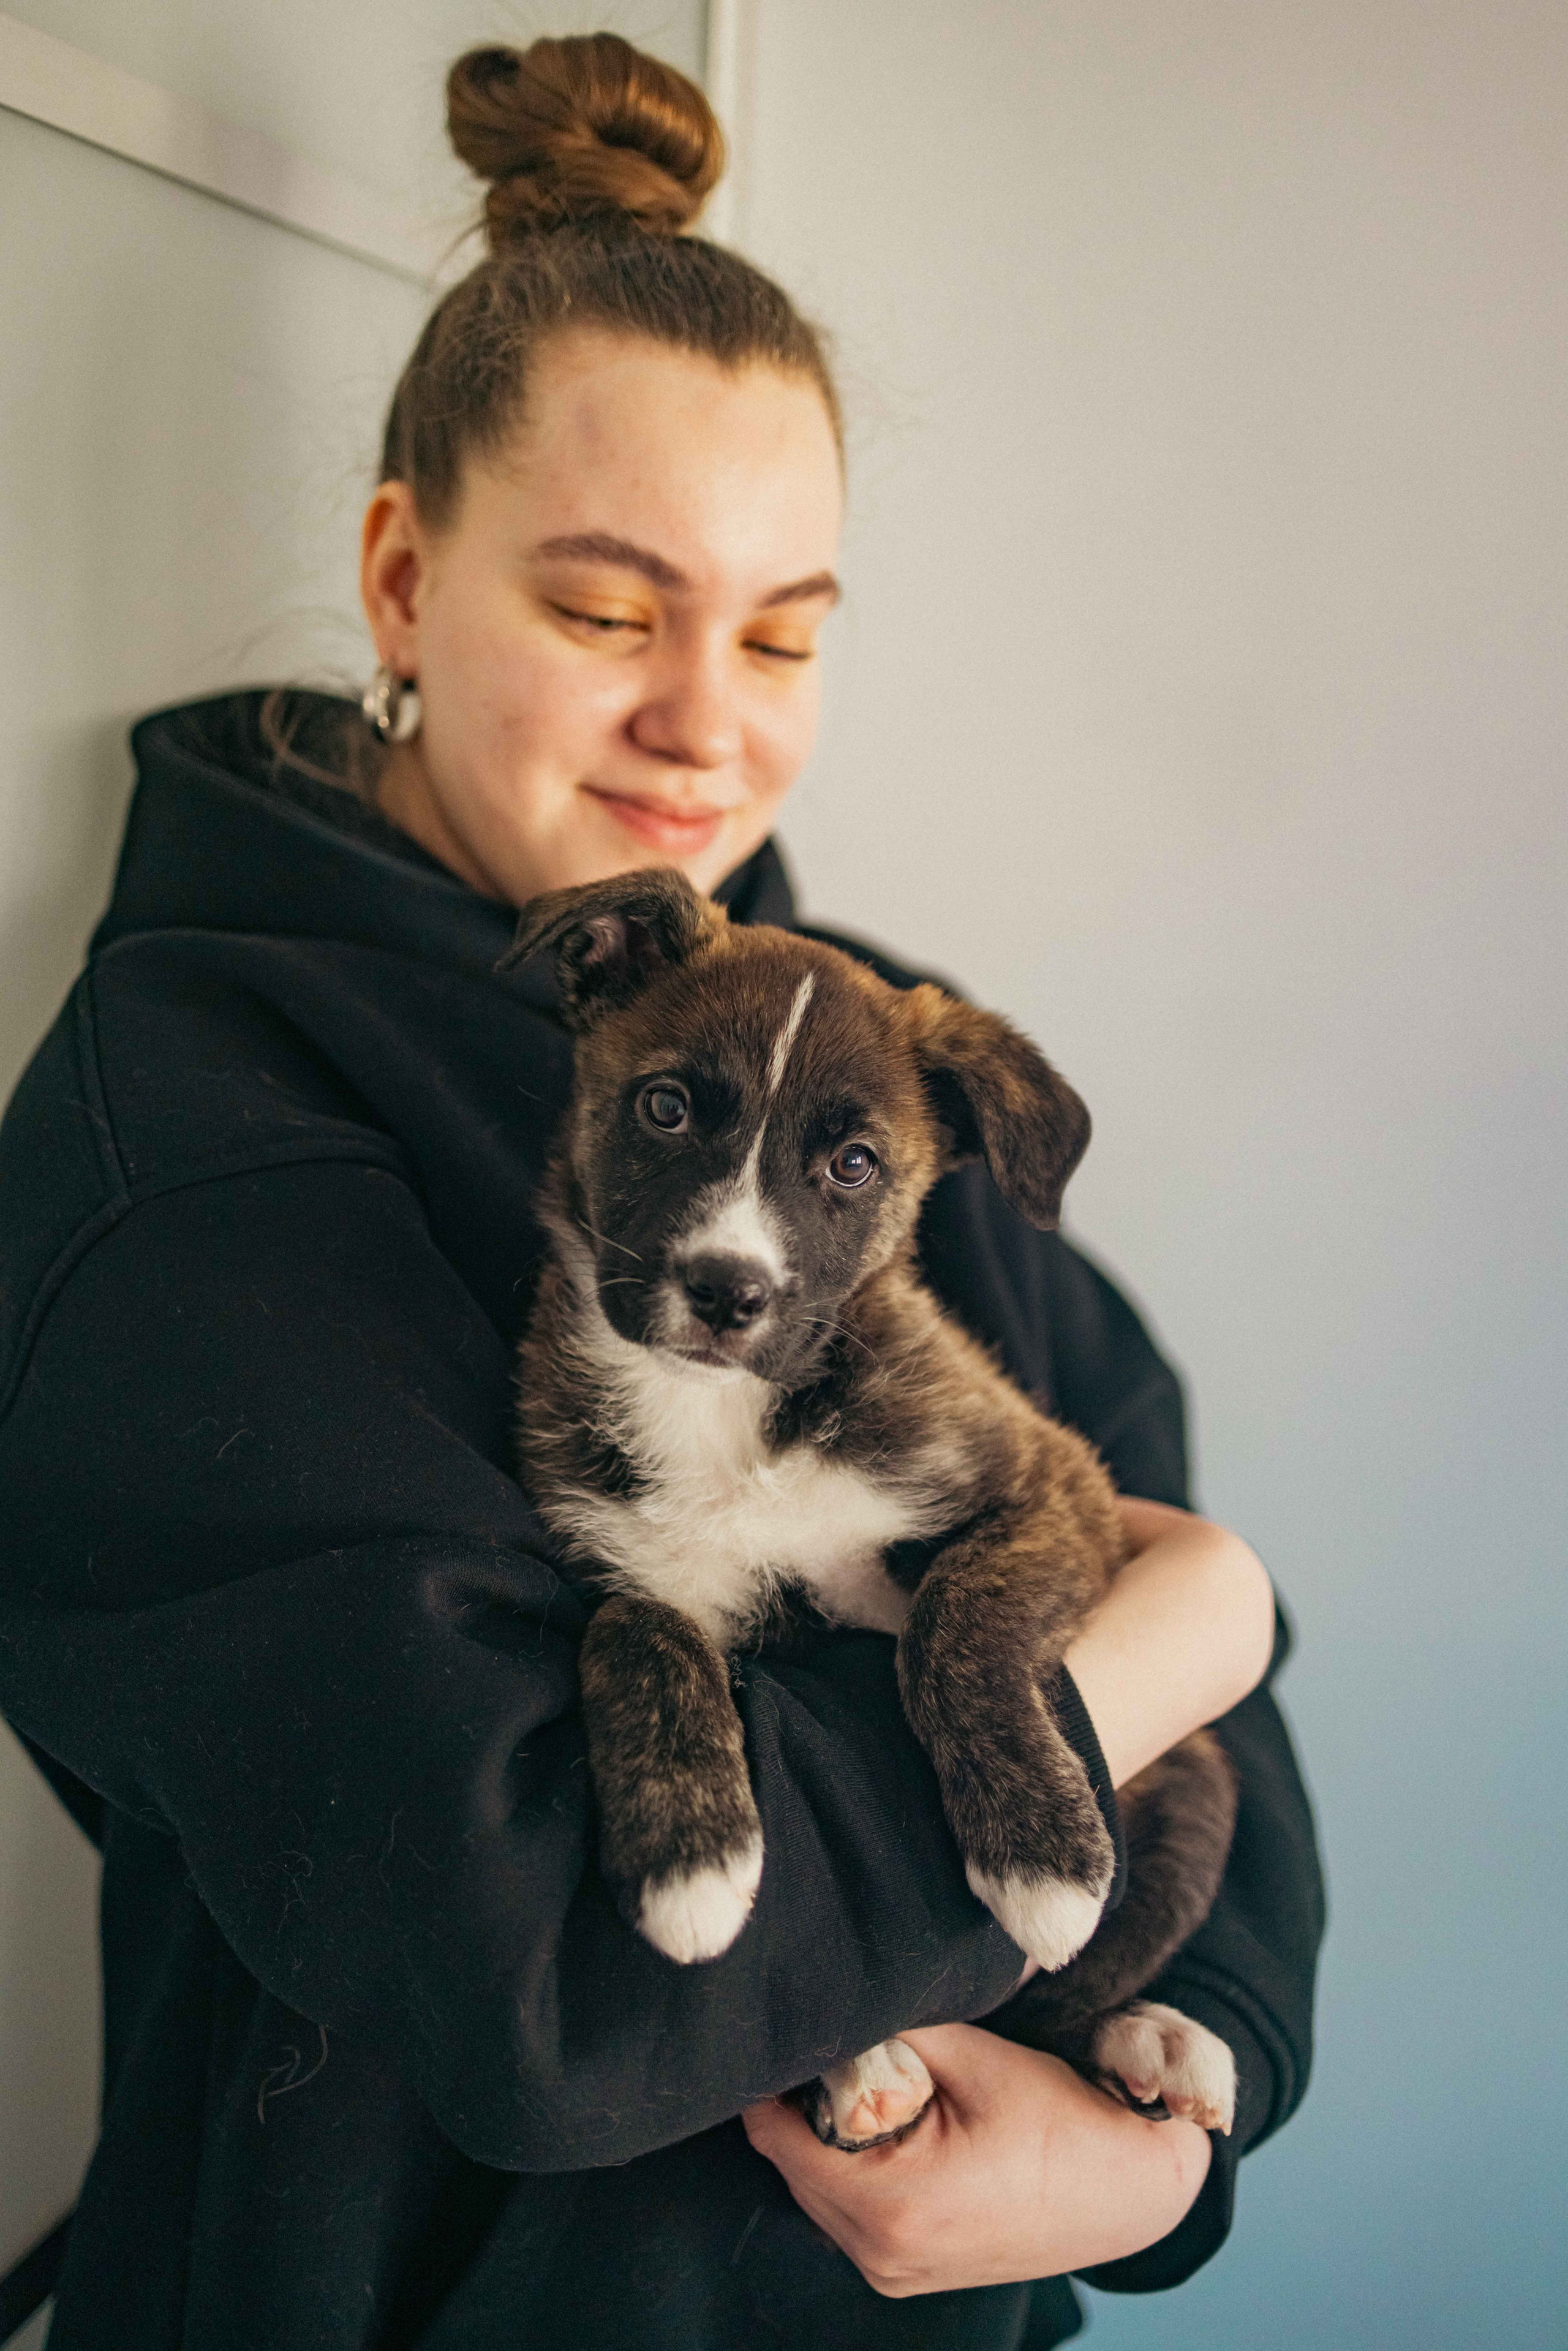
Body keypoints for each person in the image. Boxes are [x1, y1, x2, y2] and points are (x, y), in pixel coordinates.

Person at [0, 34, 1322, 2351]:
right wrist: (1157, 1644)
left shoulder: (887, 1066)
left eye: (788, 631)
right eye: (612, 613)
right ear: (404, 578)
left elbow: (1188, 1598)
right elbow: (538, 1972)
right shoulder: (189, 1134)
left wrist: (1157, 2143)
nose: (708, 721)